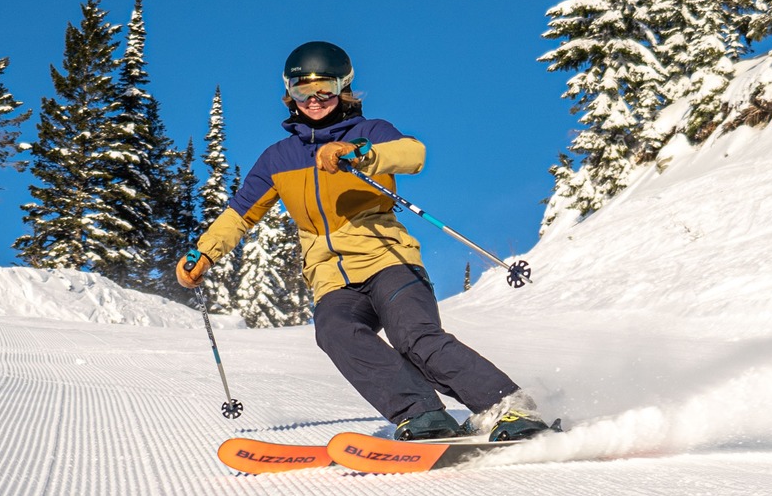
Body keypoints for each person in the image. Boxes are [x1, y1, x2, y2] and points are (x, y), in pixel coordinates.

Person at [175, 40, 551, 443]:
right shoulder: (277, 159)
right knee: (334, 330)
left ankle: (510, 407)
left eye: (326, 89)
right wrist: (204, 254)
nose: (315, 100)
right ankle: (421, 413)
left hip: (388, 261)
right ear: (289, 94)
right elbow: (240, 212)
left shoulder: (370, 132)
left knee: (413, 336)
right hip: (331, 277)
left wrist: (359, 153)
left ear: (344, 89)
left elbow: (413, 153)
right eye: (304, 91)